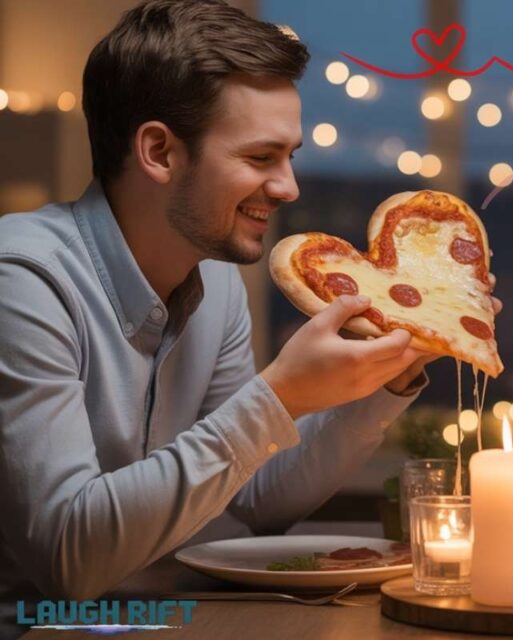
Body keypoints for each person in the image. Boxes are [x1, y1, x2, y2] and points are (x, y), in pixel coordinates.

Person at [0, 0, 486, 621]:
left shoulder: (217, 281)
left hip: (188, 621)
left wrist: (388, 375)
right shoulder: (26, 280)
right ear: (159, 152)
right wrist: (279, 398)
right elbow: (68, 559)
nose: (289, 187)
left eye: (291, 156)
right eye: (261, 158)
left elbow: (253, 498)